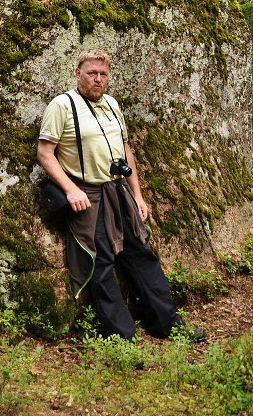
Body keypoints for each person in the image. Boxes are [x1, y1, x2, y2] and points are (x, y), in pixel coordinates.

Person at [37, 48, 202, 342]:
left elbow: (127, 151)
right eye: (91, 73)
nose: (98, 79)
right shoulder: (62, 106)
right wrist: (71, 189)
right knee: (100, 264)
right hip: (88, 195)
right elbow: (45, 153)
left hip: (119, 191)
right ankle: (123, 339)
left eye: (103, 74)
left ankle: (167, 325)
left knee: (141, 254)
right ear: (78, 73)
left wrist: (137, 195)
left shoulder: (112, 104)